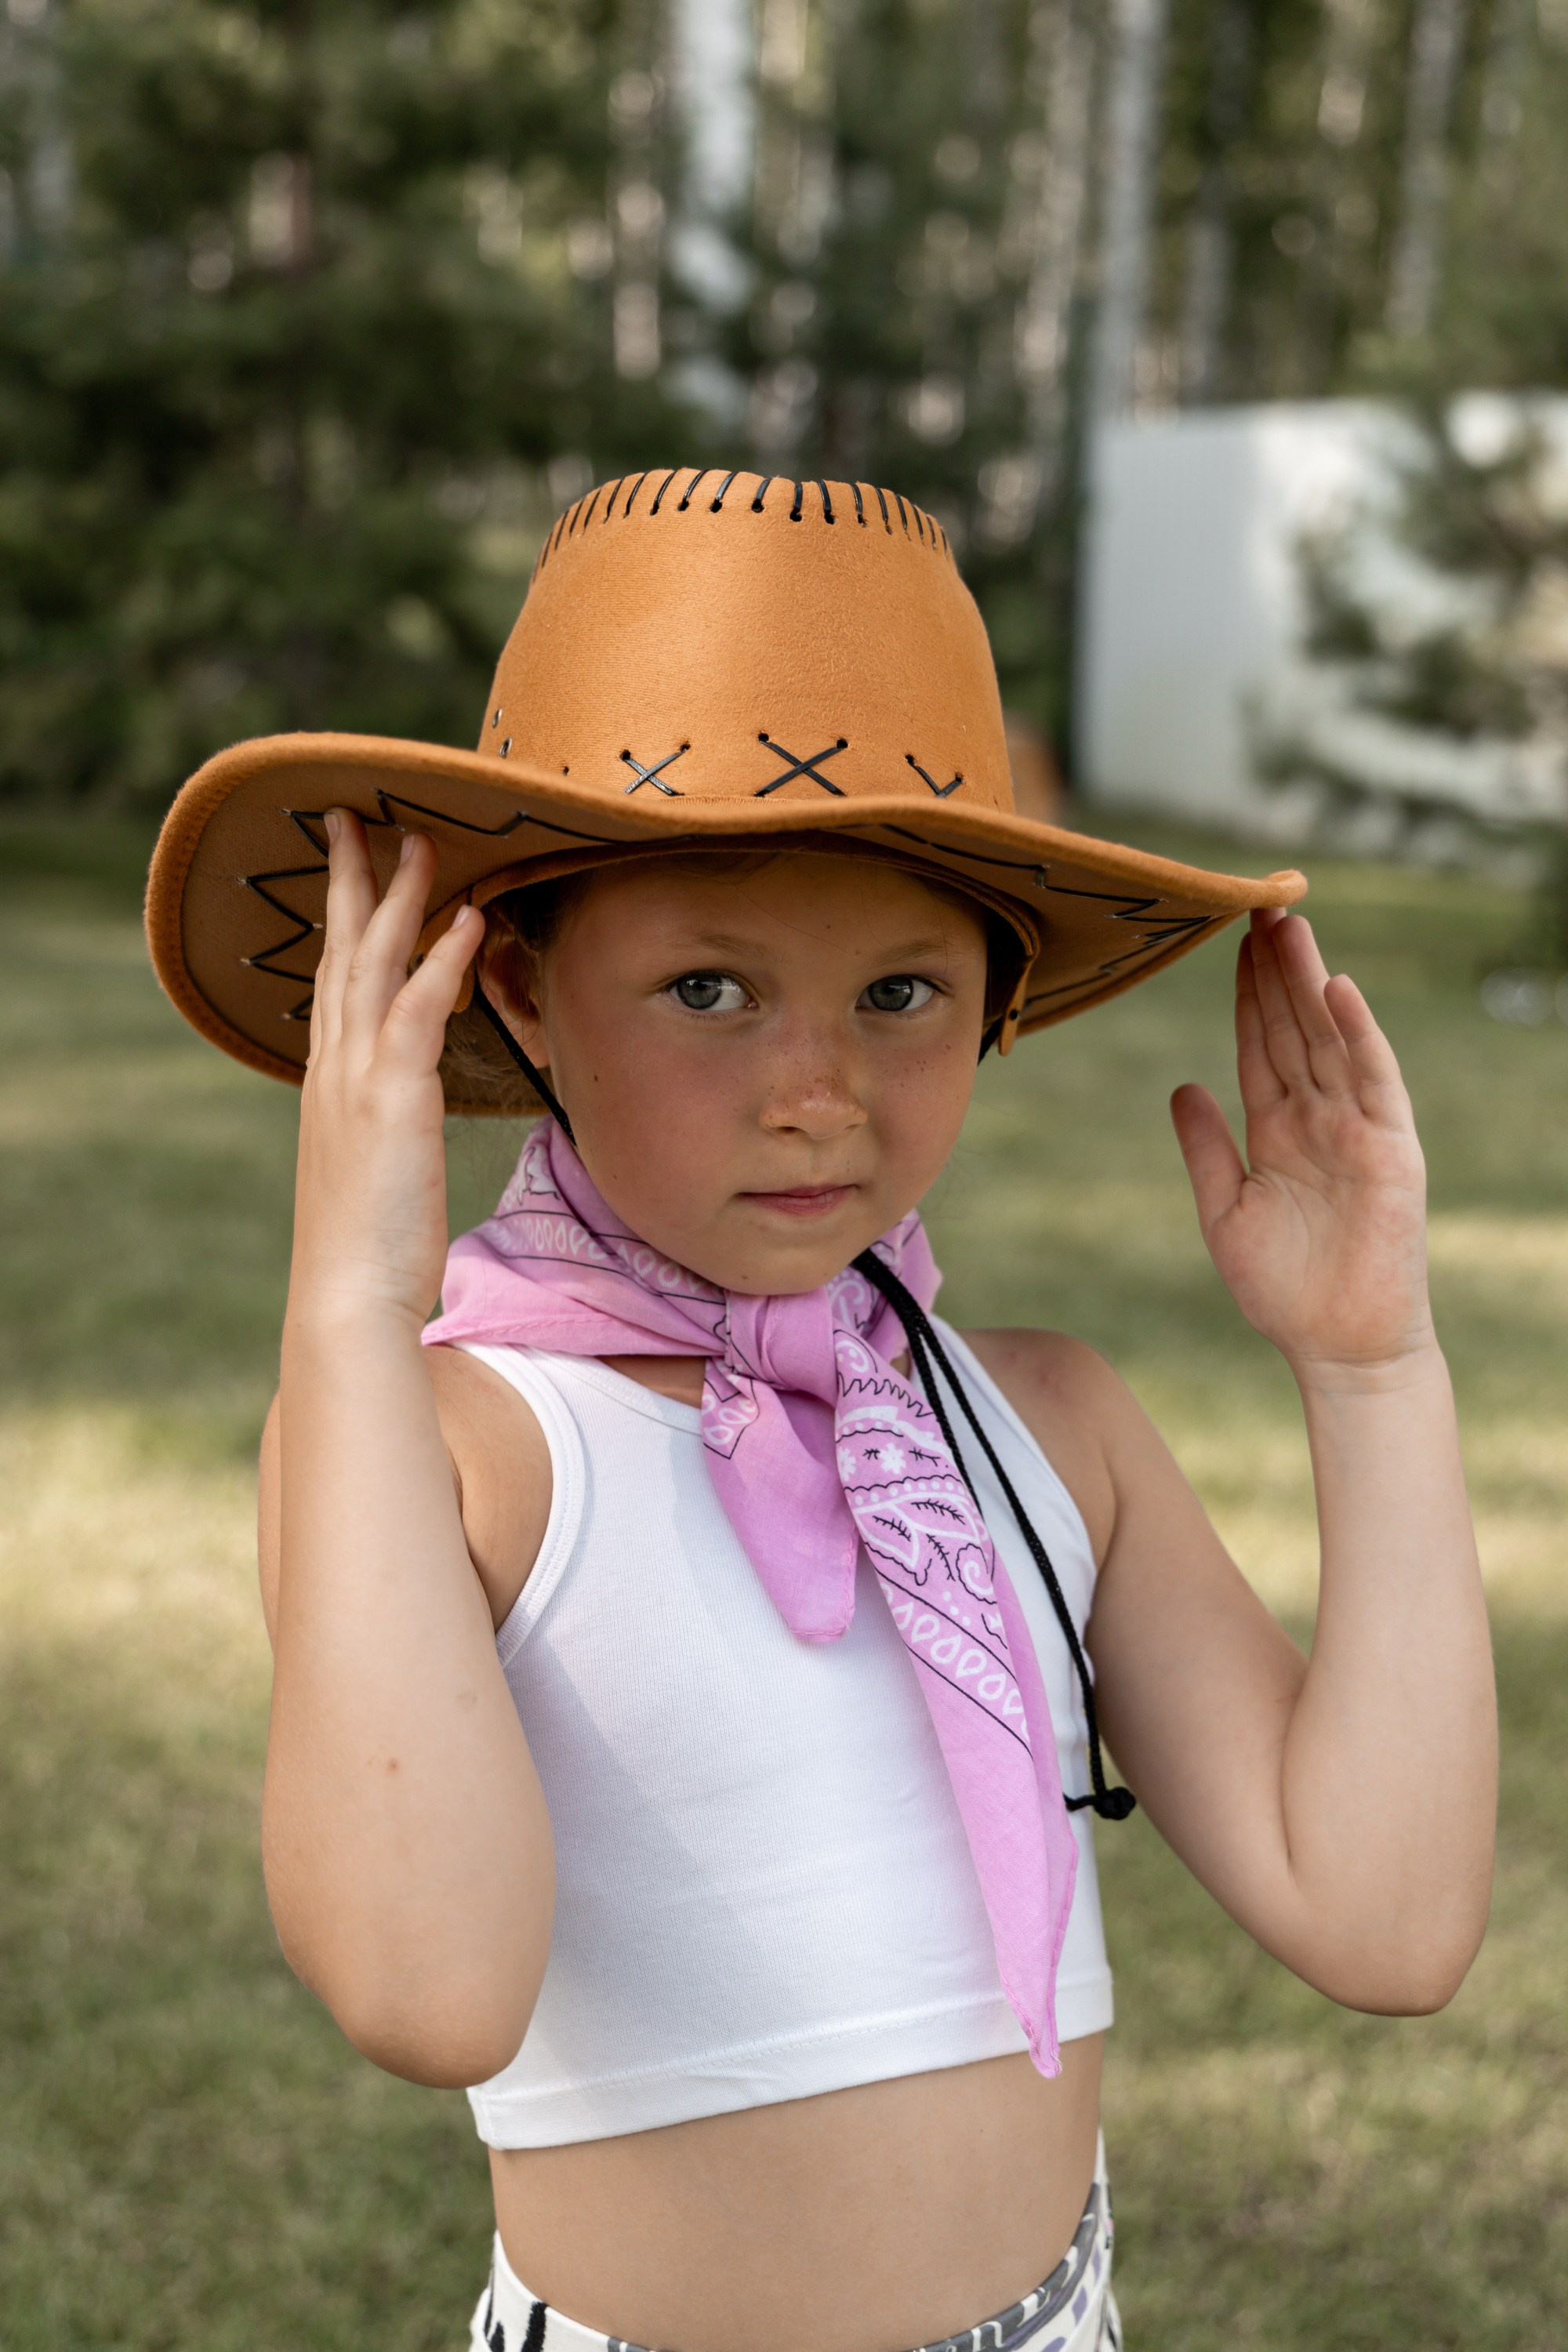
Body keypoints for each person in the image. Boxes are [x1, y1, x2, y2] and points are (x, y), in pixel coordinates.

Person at [147, 468, 1497, 2352]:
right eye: (708, 987)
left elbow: (1386, 1917)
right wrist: (351, 1310)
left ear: (996, 1000)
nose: (817, 1092)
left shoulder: (1048, 1428)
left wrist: (1371, 1369)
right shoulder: (448, 1444)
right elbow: (425, 1987)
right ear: (518, 992)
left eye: (900, 992)